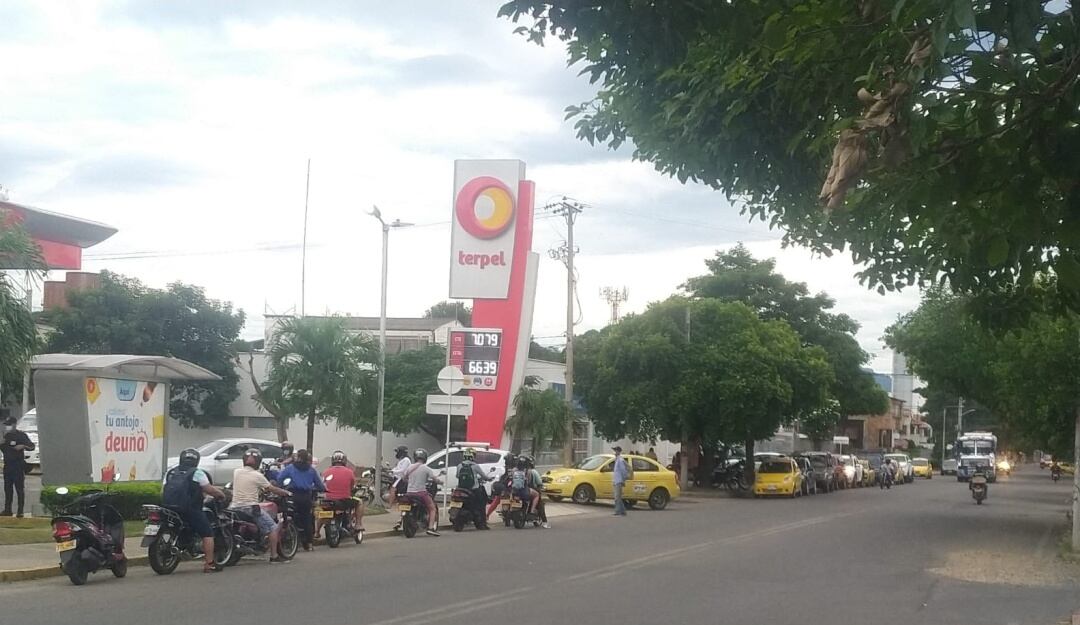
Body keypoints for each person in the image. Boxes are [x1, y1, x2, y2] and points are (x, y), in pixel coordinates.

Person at [163, 448, 227, 572]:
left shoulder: (171, 472)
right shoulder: (197, 473)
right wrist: (221, 495)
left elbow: (163, 489)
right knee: (207, 533)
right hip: (190, 509)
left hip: (168, 507)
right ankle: (209, 564)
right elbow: (210, 490)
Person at [230, 448, 290, 563]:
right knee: (273, 528)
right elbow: (271, 488)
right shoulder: (257, 475)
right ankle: (274, 556)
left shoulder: (236, 471)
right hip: (250, 507)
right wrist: (285, 492)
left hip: (234, 507)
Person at [276, 449, 324, 550]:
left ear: (297, 457)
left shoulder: (290, 468)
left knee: (289, 516)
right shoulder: (311, 470)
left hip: (293, 496)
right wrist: (321, 489)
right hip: (306, 497)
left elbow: (279, 479)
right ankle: (309, 544)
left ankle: (290, 539)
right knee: (307, 519)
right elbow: (320, 485)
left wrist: (280, 487)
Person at [320, 450, 363, 533]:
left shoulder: (326, 472)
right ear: (344, 461)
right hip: (344, 500)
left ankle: (317, 532)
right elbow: (352, 486)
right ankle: (358, 524)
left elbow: (322, 484)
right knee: (360, 502)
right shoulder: (349, 472)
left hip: (327, 500)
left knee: (323, 513)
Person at [403, 448, 441, 536]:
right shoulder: (426, 468)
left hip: (409, 493)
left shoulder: (409, 467)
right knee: (432, 508)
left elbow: (404, 478)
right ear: (425, 458)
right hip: (421, 493)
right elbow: (434, 478)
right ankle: (431, 528)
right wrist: (440, 481)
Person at [1, 416, 35, 517]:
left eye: (9, 425)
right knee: (7, 489)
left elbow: (32, 446)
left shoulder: (21, 435)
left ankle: (20, 511)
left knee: (19, 489)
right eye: (6, 425)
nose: (7, 427)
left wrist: (23, 446)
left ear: (14, 424)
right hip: (8, 466)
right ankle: (7, 510)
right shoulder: (5, 436)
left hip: (18, 465)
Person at [456, 447, 490, 530]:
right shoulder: (475, 466)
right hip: (474, 490)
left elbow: (457, 476)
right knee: (481, 505)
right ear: (472, 457)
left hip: (461, 489)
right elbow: (484, 476)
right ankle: (482, 524)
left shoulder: (459, 465)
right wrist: (488, 478)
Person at [486, 453, 517, 520]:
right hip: (509, 488)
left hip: (505, 488)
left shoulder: (504, 468)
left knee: (496, 500)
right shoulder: (515, 469)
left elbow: (499, 478)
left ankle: (487, 515)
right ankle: (487, 515)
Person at [523, 456, 550, 529]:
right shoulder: (533, 471)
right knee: (540, 504)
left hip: (522, 490)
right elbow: (539, 482)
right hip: (532, 490)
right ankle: (545, 522)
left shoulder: (520, 471)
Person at [389, 445, 411, 530]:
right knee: (400, 500)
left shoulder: (406, 460)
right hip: (398, 480)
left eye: (397, 451)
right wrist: (391, 471)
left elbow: (402, 470)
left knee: (395, 493)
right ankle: (400, 518)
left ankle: (390, 506)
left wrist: (393, 471)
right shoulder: (401, 460)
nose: (396, 453)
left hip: (402, 481)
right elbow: (397, 468)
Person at [612, 446, 631, 516]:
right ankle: (623, 511)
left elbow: (623, 471)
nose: (614, 452)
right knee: (618, 497)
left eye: (615, 451)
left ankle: (618, 511)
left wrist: (623, 480)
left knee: (617, 497)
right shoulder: (617, 460)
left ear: (618, 452)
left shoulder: (620, 460)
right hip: (616, 481)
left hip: (619, 481)